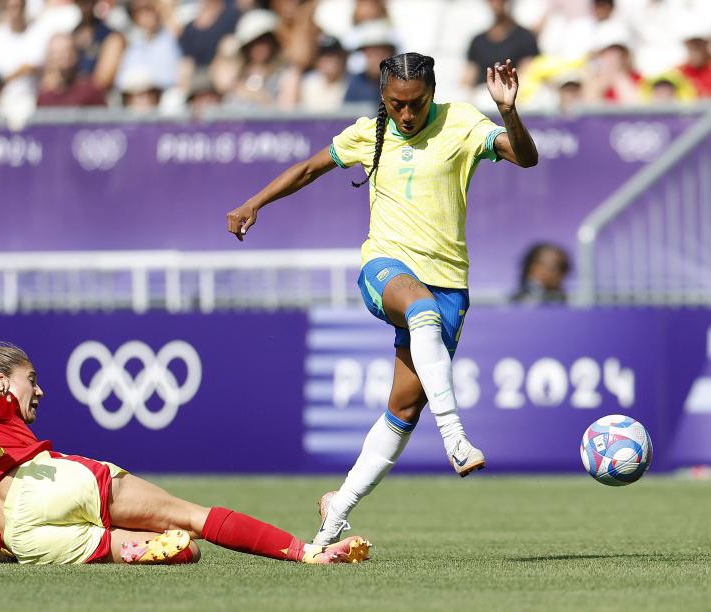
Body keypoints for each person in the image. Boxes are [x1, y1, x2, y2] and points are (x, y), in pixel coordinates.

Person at [226, 52, 537, 545]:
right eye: (396, 105)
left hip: (449, 280)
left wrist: (509, 112)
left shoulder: (461, 122)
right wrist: (253, 203)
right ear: (384, 98)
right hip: (386, 266)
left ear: (431, 95)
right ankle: (455, 437)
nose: (406, 115)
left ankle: (335, 512)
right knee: (421, 310)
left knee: (403, 409)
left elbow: (526, 156)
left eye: (415, 105)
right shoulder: (367, 131)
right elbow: (309, 169)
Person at [0, 331, 371, 565]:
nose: (40, 390)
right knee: (193, 518)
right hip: (48, 485)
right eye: (33, 380)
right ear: (4, 379)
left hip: (27, 541)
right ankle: (307, 553)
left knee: (173, 553)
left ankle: (142, 552)